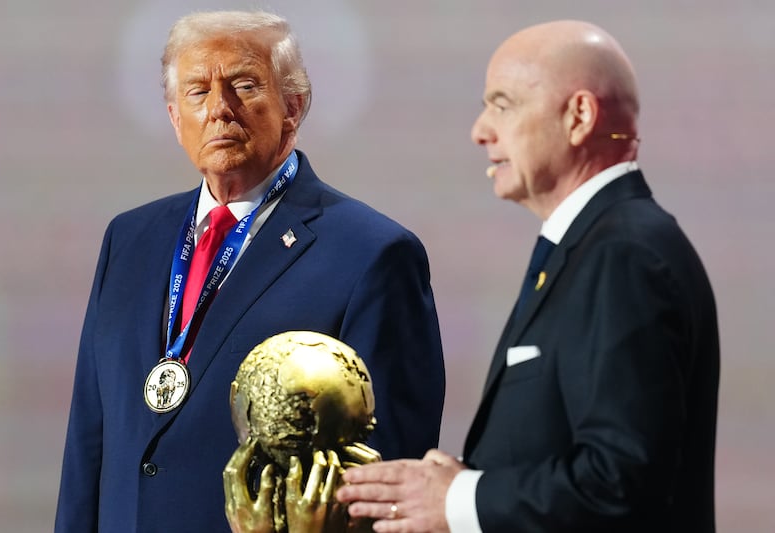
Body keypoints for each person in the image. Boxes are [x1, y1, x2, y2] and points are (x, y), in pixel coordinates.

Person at [55, 10, 445, 533]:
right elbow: (89, 438)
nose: (219, 109)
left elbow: (383, 467)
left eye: (242, 85)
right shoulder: (129, 239)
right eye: (198, 92)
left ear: (293, 106)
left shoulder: (372, 253)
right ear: (175, 117)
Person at [337, 19, 719, 533]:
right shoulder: (595, 244)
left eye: (502, 104)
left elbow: (620, 484)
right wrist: (476, 480)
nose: (480, 131)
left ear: (579, 116)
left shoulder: (623, 254)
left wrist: (460, 500)